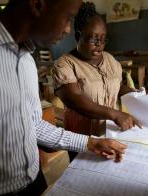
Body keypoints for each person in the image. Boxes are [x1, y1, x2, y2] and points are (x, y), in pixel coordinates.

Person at [0, 0, 127, 196]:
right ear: (38, 5)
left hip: (33, 188)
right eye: (67, 17)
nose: (67, 30)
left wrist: (90, 142)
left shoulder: (26, 59)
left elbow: (34, 125)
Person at [52, 2, 139, 136]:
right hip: (81, 136)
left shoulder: (110, 60)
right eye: (94, 39)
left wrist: (135, 94)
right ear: (78, 36)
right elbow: (75, 100)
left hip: (111, 131)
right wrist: (115, 114)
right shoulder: (65, 64)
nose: (99, 45)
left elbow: (118, 85)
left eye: (103, 39)